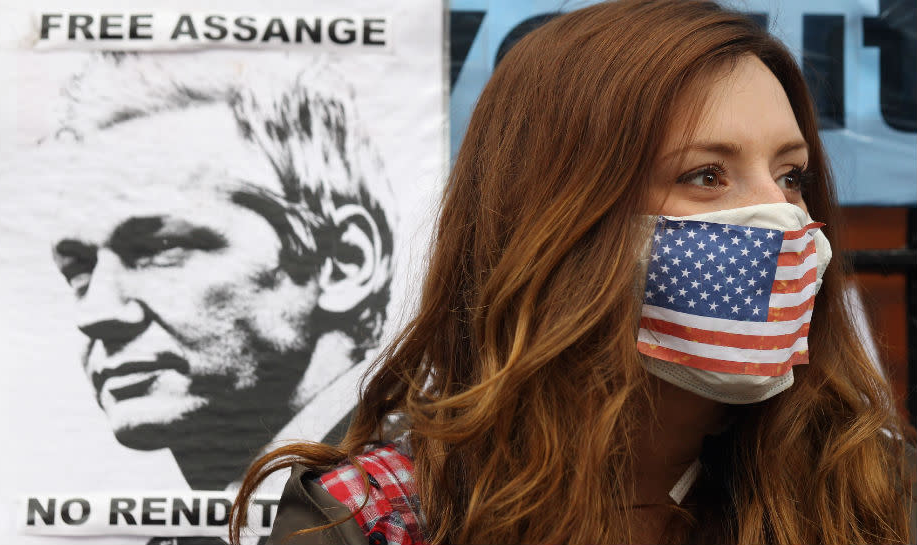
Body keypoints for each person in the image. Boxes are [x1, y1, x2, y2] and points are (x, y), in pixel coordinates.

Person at [230, 1, 915, 544]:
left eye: (790, 176)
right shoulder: (378, 519)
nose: (785, 220)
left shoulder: (876, 491)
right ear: (559, 221)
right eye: (706, 175)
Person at [47, 52, 396, 499]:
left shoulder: (440, 496)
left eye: (159, 249)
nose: (95, 314)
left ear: (344, 261)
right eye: (79, 270)